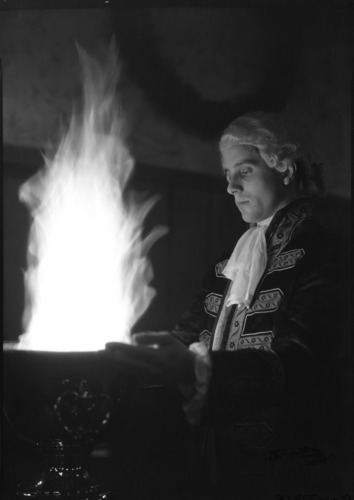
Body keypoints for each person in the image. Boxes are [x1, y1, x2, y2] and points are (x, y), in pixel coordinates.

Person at [104, 112, 342, 495]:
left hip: (291, 464)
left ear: (284, 169)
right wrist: (145, 351)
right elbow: (188, 336)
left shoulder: (326, 253)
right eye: (227, 173)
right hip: (215, 455)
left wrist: (197, 365)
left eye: (244, 171)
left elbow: (303, 361)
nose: (231, 186)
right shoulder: (225, 267)